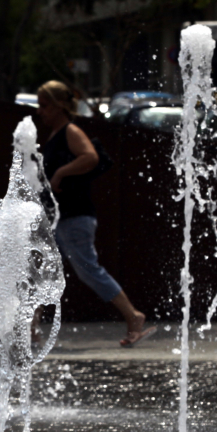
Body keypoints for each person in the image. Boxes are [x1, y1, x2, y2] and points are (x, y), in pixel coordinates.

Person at [36, 80, 156, 347]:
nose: (39, 111)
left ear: (58, 107)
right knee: (43, 269)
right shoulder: (57, 134)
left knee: (88, 270)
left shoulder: (70, 131)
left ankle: (134, 316)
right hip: (61, 217)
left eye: (44, 105)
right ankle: (31, 328)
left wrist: (60, 172)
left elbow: (90, 157)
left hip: (75, 216)